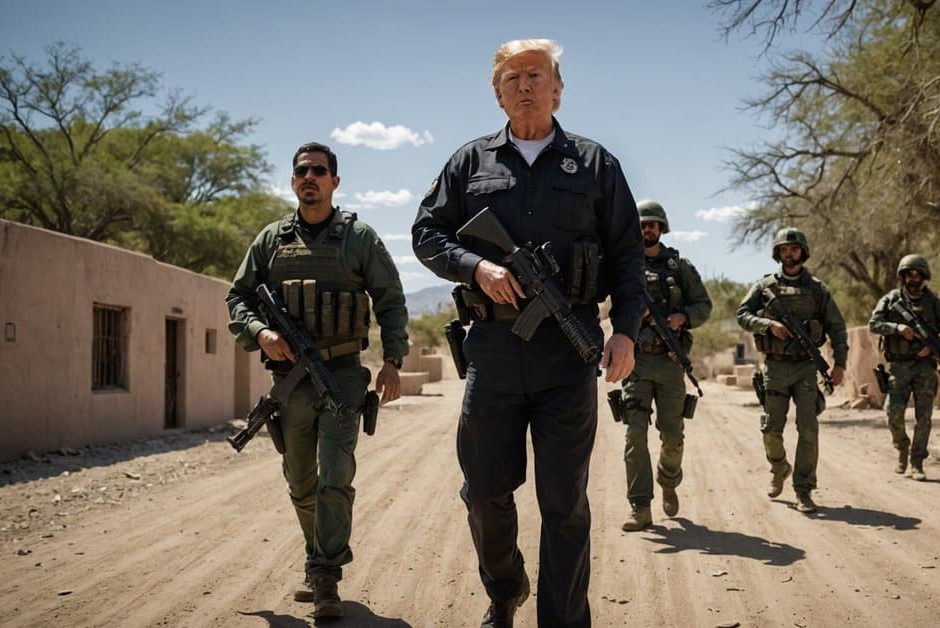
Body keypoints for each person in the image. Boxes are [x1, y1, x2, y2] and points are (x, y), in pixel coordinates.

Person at [411, 38, 643, 628]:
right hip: (492, 353)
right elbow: (427, 234)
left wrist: (627, 331)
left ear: (558, 88)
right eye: (512, 77)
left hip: (569, 357)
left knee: (565, 506)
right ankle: (505, 587)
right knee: (485, 493)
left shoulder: (596, 165)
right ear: (497, 93)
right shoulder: (470, 163)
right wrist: (476, 268)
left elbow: (628, 258)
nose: (524, 85)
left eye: (536, 75)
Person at [226, 142, 408, 619]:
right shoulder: (270, 240)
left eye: (319, 171)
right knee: (300, 481)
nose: (310, 177)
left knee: (336, 474)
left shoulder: (359, 238)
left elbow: (390, 299)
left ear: (334, 181)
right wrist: (261, 332)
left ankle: (326, 574)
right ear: (292, 181)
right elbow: (238, 298)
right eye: (302, 171)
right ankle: (316, 556)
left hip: (343, 376)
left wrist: (393, 361)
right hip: (289, 380)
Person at [735, 227, 847, 514]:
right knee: (772, 430)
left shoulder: (817, 289)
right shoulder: (763, 287)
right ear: (778, 253)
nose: (789, 253)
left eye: (794, 248)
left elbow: (836, 327)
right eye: (784, 249)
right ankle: (779, 467)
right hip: (774, 366)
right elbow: (743, 314)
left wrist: (840, 364)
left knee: (808, 429)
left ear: (803, 252)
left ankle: (804, 490)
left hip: (806, 367)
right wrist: (769, 325)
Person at [618, 199, 712, 532]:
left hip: (671, 364)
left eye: (653, 224)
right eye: (643, 224)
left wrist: (683, 317)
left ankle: (668, 480)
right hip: (637, 363)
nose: (648, 229)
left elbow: (704, 305)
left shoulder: (679, 265)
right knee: (635, 436)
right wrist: (632, 314)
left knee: (672, 437)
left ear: (662, 228)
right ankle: (640, 507)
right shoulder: (623, 264)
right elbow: (604, 308)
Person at [868, 254, 940, 481]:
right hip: (898, 366)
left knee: (924, 417)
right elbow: (874, 324)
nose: (913, 277)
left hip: (925, 368)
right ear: (903, 276)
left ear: (924, 276)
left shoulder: (936, 304)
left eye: (918, 273)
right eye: (909, 273)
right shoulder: (890, 300)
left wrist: (936, 349)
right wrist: (897, 328)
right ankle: (902, 448)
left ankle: (917, 462)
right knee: (892, 412)